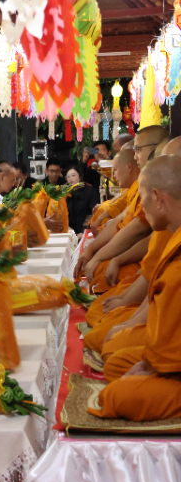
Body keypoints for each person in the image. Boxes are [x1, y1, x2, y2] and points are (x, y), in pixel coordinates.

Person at [87, 155, 181, 421]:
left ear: (158, 198)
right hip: (169, 356)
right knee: (117, 363)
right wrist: (149, 363)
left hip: (173, 364)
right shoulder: (173, 233)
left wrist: (156, 367)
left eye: (144, 198)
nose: (141, 207)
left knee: (115, 396)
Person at [75, 126, 169, 292]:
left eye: (138, 149)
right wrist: (93, 250)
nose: (134, 156)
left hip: (139, 263)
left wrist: (112, 258)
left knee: (99, 272)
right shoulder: (142, 187)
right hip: (134, 260)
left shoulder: (159, 190)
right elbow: (123, 219)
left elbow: (140, 232)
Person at [65, 166, 98, 237]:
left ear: (80, 176)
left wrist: (84, 232)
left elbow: (94, 214)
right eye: (68, 176)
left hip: (86, 230)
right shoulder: (66, 194)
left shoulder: (90, 191)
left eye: (73, 175)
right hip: (70, 232)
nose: (70, 178)